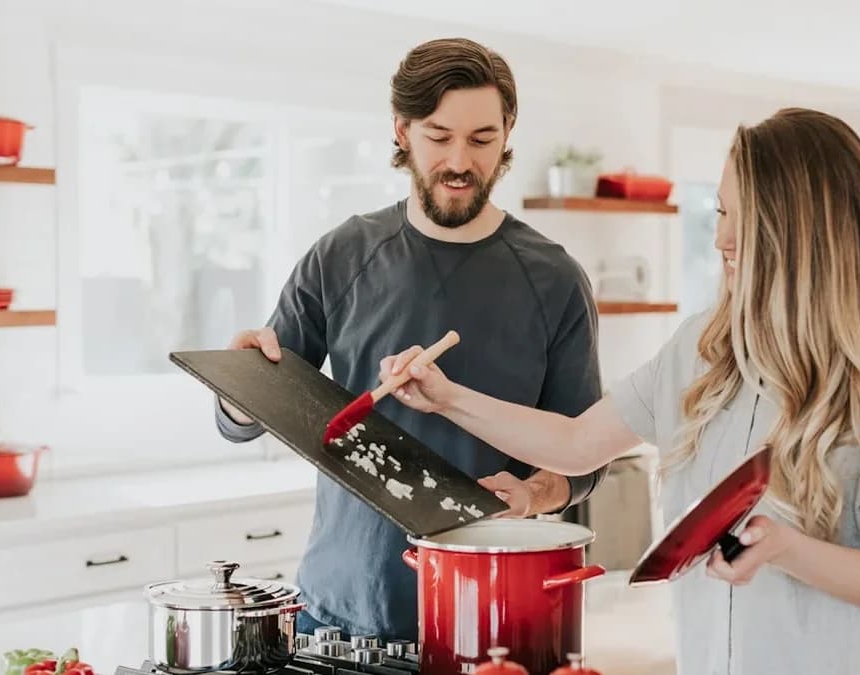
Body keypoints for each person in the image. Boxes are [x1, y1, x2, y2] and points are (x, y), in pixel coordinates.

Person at [379, 108, 860, 675]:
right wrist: (446, 397)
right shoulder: (703, 348)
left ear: (804, 229)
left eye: (744, 217)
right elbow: (579, 442)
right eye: (719, 212)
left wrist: (784, 547)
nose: (722, 239)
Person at [213, 37, 607, 642]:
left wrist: (533, 493)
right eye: (439, 136)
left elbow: (584, 459)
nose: (459, 161)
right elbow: (250, 414)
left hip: (490, 614)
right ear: (402, 130)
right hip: (338, 611)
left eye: (481, 139)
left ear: (507, 134)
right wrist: (239, 389)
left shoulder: (554, 279)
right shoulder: (340, 255)